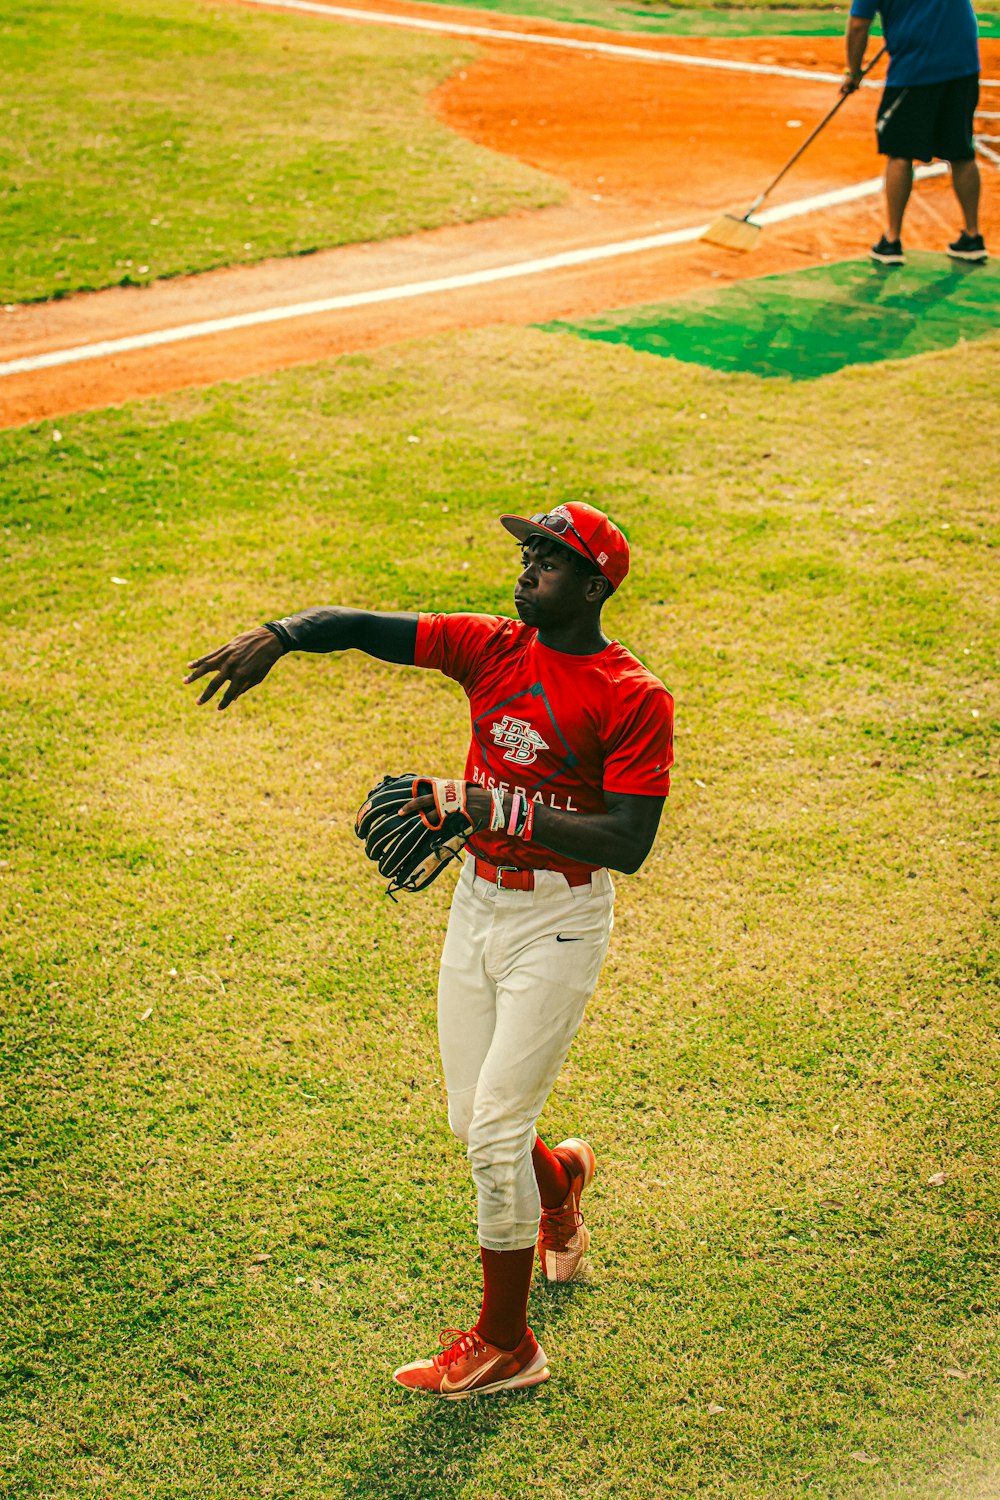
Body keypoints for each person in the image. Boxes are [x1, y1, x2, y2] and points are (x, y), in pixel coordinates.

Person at [185, 501, 673, 1398]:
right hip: (476, 903)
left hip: (560, 922)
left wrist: (497, 808)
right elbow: (364, 628)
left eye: (551, 560)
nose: (528, 568)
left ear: (596, 586)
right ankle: (559, 1181)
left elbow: (629, 841)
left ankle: (507, 1344)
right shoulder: (490, 646)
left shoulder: (632, 695)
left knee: (491, 1134)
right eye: (528, 552)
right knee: (475, 1122)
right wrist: (282, 635)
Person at [842, 0, 988, 265]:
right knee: (961, 150)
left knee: (899, 152)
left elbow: (858, 25)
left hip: (916, 68)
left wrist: (853, 72)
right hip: (963, 62)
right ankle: (972, 236)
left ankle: (892, 239)